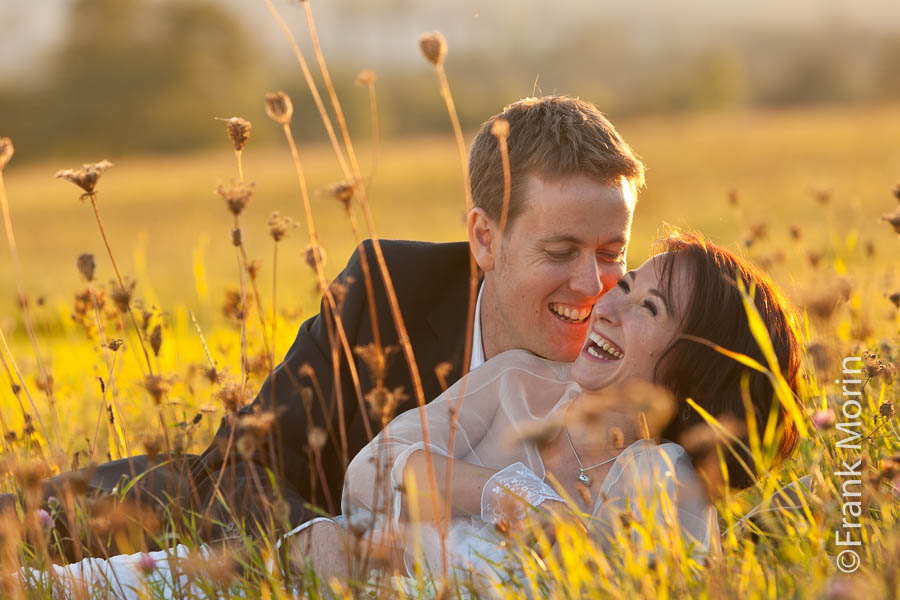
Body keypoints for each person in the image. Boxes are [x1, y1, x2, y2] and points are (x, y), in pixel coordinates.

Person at [1, 95, 646, 549]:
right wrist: (329, 547)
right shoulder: (391, 291)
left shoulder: (642, 347)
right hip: (287, 534)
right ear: (484, 237)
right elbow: (242, 463)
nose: (593, 286)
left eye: (613, 253)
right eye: (559, 252)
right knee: (101, 505)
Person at [22, 230, 802, 597]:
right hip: (343, 563)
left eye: (647, 307)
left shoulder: (660, 478)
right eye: (626, 285)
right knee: (274, 554)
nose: (609, 305)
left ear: (695, 369)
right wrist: (499, 492)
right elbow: (378, 470)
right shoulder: (516, 383)